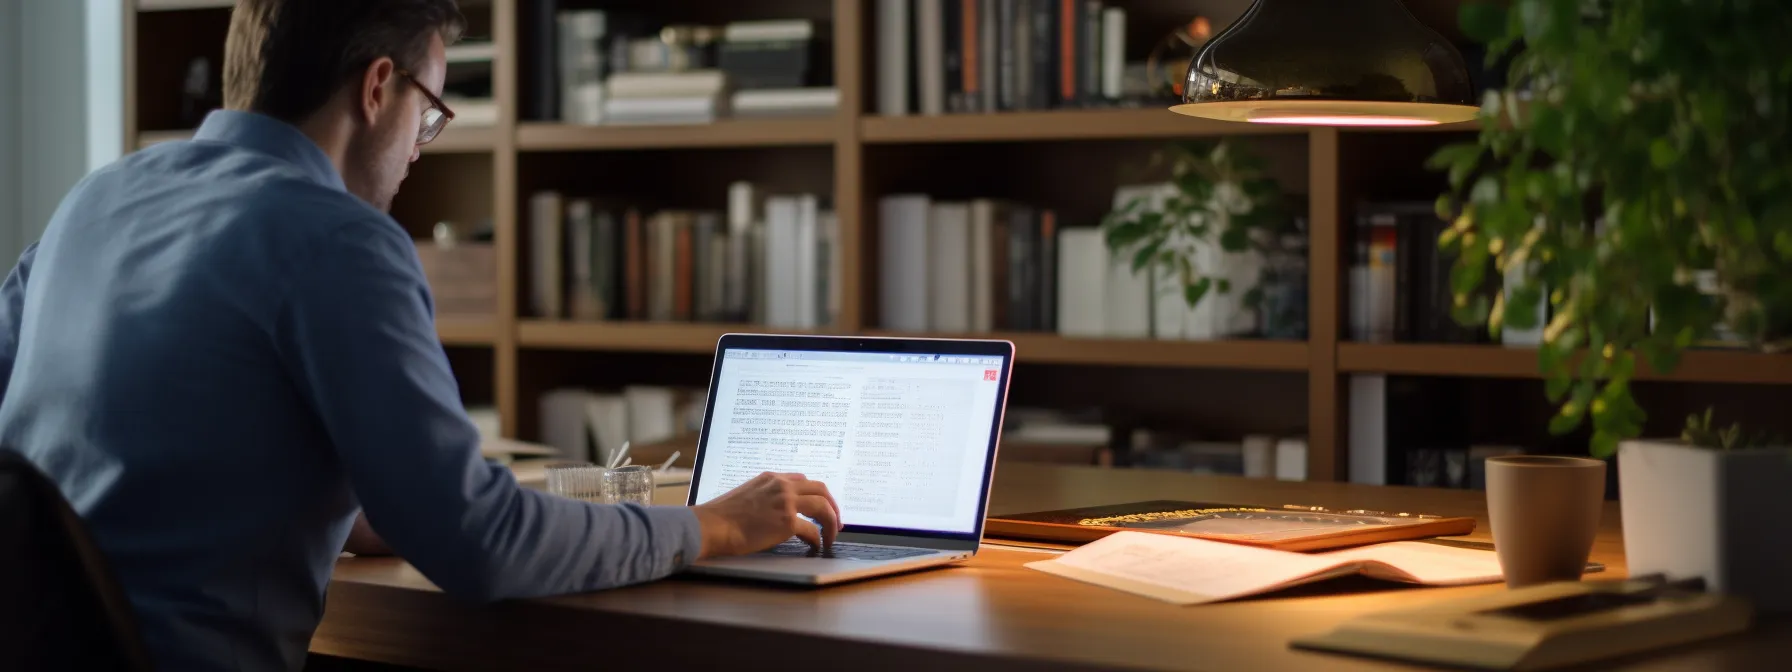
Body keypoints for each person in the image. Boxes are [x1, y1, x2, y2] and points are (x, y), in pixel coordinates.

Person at [0, 1, 841, 670]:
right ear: (378, 89)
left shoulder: (94, 200)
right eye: (430, 112)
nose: (417, 150)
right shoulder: (337, 239)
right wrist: (715, 528)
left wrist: (352, 508)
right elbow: (483, 543)